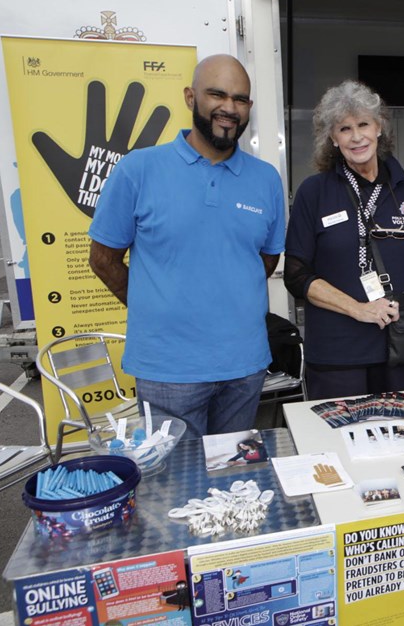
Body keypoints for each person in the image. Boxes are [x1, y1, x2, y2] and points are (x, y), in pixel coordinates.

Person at [88, 54, 284, 439]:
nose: (229, 108)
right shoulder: (138, 169)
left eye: (240, 99)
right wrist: (156, 306)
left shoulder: (266, 179)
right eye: (217, 94)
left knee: (231, 482)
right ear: (190, 97)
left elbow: (266, 257)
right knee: (174, 490)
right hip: (167, 371)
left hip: (244, 366)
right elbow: (102, 259)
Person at [284, 80, 404, 399]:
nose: (356, 136)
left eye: (363, 124)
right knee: (342, 445)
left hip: (401, 350)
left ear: (379, 128)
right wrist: (358, 309)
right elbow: (296, 276)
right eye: (344, 129)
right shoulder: (315, 192)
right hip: (338, 357)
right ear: (333, 139)